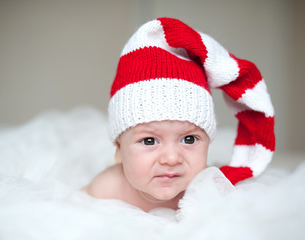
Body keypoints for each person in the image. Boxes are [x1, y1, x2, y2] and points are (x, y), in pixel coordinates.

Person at [83, 17, 275, 212]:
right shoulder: (107, 190)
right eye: (149, 141)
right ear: (118, 150)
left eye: (189, 139)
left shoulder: (208, 190)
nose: (172, 158)